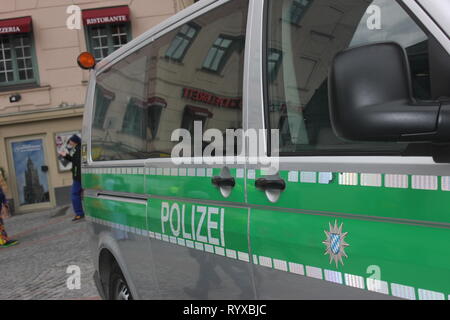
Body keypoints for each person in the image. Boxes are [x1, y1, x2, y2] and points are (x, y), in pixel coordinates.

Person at [58, 135, 84, 222]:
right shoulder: (78, 148)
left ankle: (79, 213)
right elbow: (74, 160)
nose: (69, 143)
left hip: (78, 177)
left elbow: (77, 164)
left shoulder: (78, 149)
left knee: (74, 194)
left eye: (70, 141)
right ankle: (80, 213)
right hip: (79, 176)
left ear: (74, 141)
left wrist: (76, 176)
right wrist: (65, 156)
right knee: (78, 194)